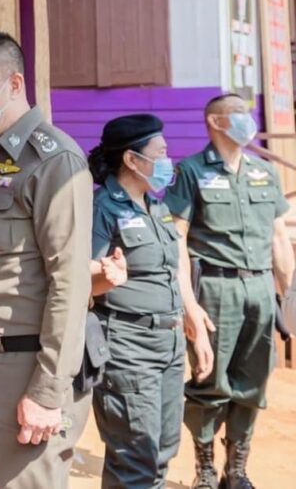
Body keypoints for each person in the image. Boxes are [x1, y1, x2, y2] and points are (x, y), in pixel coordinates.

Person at [0, 31, 93, 489]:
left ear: (14, 84)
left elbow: (70, 282)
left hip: (26, 366)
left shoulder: (53, 160)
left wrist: (48, 390)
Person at [164, 93, 295, 489]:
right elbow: (178, 240)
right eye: (237, 113)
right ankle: (204, 467)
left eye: (247, 112)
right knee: (209, 381)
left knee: (254, 381)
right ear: (215, 122)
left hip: (260, 287)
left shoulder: (264, 172)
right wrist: (189, 304)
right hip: (216, 289)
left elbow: (279, 238)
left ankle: (236, 469)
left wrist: (290, 295)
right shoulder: (190, 171)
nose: (246, 120)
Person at [87, 115, 185, 489]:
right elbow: (80, 277)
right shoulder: (103, 208)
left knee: (161, 453)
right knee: (134, 461)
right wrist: (105, 274)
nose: (167, 161)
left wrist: (191, 316)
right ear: (132, 159)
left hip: (169, 344)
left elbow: (173, 270)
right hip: (127, 347)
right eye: (160, 153)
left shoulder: (156, 207)